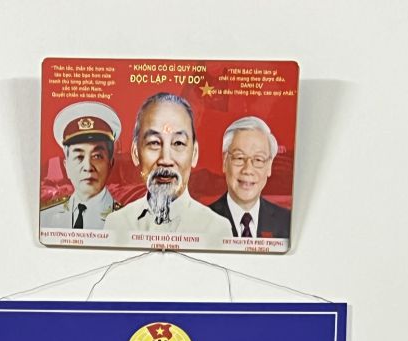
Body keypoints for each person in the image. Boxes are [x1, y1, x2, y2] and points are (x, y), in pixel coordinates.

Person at [104, 92, 231, 238]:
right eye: (154, 143)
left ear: (194, 154)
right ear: (135, 153)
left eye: (178, 143)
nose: (165, 159)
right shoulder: (117, 225)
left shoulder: (216, 230)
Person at [40, 101, 122, 230]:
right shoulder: (45, 217)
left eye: (97, 156)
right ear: (66, 166)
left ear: (110, 164)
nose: (88, 167)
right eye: (79, 157)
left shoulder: (127, 221)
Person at [207, 117, 291, 239]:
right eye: (239, 158)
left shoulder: (287, 222)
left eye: (258, 159)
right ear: (225, 161)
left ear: (269, 166)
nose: (248, 170)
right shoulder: (202, 221)